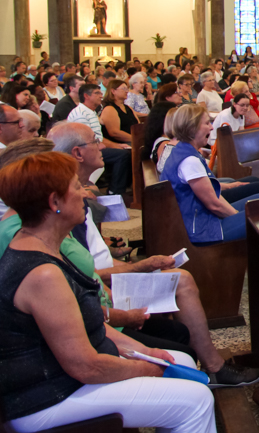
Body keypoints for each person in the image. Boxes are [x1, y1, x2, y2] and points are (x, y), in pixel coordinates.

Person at [0, 152, 217, 433]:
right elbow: (85, 366)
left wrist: (145, 352)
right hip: (46, 398)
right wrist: (145, 368)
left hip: (66, 379)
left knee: (182, 361)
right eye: (76, 187)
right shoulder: (41, 274)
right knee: (196, 401)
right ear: (54, 202)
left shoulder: (45, 245)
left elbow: (91, 326)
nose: (85, 194)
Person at [160, 105, 259, 243]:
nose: (211, 127)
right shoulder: (189, 161)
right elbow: (213, 205)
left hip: (202, 217)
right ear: (192, 128)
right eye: (206, 123)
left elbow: (213, 196)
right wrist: (240, 216)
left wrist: (239, 213)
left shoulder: (182, 150)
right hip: (203, 228)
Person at [66, 84, 133, 196]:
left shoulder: (90, 112)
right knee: (122, 155)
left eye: (101, 93)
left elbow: (97, 137)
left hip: (93, 146)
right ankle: (115, 191)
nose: (101, 96)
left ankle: (127, 187)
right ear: (86, 96)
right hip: (84, 150)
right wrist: (115, 146)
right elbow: (85, 141)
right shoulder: (80, 114)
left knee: (128, 150)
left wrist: (116, 145)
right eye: (97, 93)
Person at [99, 80, 139, 146]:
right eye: (124, 89)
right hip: (121, 143)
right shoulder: (109, 109)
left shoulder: (128, 108)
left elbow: (137, 125)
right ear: (113, 91)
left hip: (134, 140)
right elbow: (114, 133)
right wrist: (136, 139)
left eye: (127, 88)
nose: (127, 91)